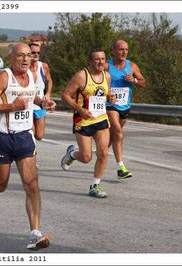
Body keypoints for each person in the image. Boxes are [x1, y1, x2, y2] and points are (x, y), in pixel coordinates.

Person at [0, 43, 55, 250]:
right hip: (3, 138)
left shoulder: (31, 75)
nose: (25, 59)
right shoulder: (4, 77)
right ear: (10, 58)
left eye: (28, 56)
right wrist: (12, 106)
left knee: (31, 184)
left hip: (24, 137)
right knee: (1, 184)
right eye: (20, 55)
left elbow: (31, 97)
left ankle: (34, 234)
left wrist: (43, 103)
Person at [60, 48, 116, 198]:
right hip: (83, 120)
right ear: (91, 62)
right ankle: (71, 154)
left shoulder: (107, 76)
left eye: (103, 59)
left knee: (103, 153)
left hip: (101, 119)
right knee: (86, 157)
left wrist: (110, 98)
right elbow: (65, 95)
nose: (100, 62)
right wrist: (80, 109)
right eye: (97, 59)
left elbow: (106, 92)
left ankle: (95, 185)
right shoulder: (81, 76)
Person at [105, 40, 146, 179]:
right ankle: (121, 167)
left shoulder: (132, 66)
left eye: (126, 50)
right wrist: (107, 93)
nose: (124, 52)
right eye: (121, 49)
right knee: (118, 132)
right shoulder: (106, 66)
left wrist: (133, 81)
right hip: (110, 105)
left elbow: (143, 83)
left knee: (113, 136)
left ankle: (78, 153)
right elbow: (95, 81)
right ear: (113, 51)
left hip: (125, 105)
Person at [29, 43, 53, 141]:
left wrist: (48, 94)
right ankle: (30, 154)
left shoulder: (43, 66)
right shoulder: (23, 68)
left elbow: (50, 81)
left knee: (39, 136)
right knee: (30, 134)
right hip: (28, 104)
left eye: (38, 53)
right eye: (33, 52)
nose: (36, 55)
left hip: (40, 105)